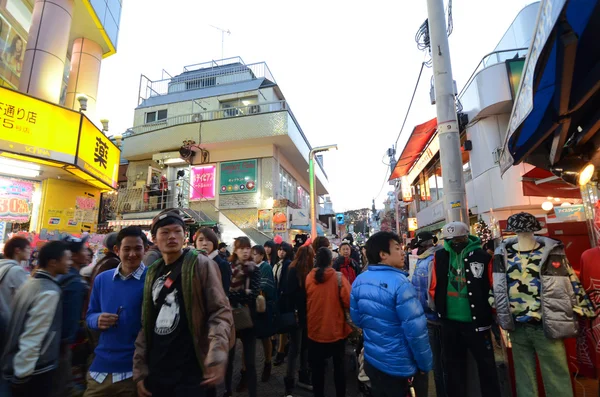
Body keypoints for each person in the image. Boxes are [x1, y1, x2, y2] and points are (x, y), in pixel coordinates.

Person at [133, 208, 233, 397]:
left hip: (191, 372)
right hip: (158, 370)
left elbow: (220, 311)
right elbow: (146, 322)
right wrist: (140, 370)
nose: (172, 236)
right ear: (154, 239)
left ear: (185, 236)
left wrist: (217, 354)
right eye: (165, 232)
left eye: (177, 231)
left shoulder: (201, 264)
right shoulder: (152, 271)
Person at [493, 212, 595, 397]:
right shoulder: (503, 255)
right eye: (520, 231)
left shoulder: (551, 253)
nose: (523, 234)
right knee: (524, 378)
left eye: (526, 230)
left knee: (556, 375)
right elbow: (497, 286)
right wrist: (497, 307)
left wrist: (583, 307)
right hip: (517, 326)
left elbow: (569, 280)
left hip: (547, 323)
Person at [351, 231, 432, 397]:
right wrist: (425, 365)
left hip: (373, 360)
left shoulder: (360, 280)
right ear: (383, 255)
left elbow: (358, 320)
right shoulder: (401, 283)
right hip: (400, 366)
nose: (403, 252)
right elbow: (416, 331)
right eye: (397, 248)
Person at [429, 221, 500, 397]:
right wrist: (438, 309)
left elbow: (492, 286)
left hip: (478, 321)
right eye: (450, 239)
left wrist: (492, 313)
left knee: (486, 366)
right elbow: (434, 285)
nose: (454, 242)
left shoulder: (483, 257)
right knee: (453, 366)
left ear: (467, 236)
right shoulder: (440, 257)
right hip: (448, 321)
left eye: (458, 238)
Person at [1, 241, 72, 397]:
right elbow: (33, 335)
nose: (70, 263)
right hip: (35, 370)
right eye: (67, 259)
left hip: (14, 363)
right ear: (53, 262)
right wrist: (22, 374)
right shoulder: (49, 292)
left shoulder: (30, 283)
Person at [84, 226, 148, 396]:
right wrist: (97, 319)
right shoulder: (102, 279)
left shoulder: (152, 280)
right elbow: (89, 316)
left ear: (146, 250)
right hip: (99, 371)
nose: (132, 254)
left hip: (132, 373)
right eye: (127, 249)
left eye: (138, 248)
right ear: (117, 250)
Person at [305, 247, 351, 397]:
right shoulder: (338, 278)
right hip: (336, 331)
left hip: (314, 331)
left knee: (317, 372)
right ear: (331, 260)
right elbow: (349, 301)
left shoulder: (309, 277)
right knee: (339, 369)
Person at [54, 235, 91, 397]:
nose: (88, 253)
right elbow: (71, 321)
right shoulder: (75, 282)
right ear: (73, 256)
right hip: (68, 347)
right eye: (84, 250)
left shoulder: (60, 277)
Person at [224, 237, 261, 397]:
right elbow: (224, 292)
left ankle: (253, 393)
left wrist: (235, 295)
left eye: (248, 248)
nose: (245, 251)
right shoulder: (228, 268)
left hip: (248, 320)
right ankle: (227, 391)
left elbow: (252, 295)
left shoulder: (255, 269)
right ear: (235, 251)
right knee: (228, 360)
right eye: (242, 248)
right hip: (230, 319)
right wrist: (241, 293)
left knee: (251, 362)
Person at [411, 231, 445, 397]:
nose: (420, 250)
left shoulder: (432, 260)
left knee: (438, 364)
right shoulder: (424, 260)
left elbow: (432, 292)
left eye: (421, 246)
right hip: (427, 317)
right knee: (436, 362)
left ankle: (442, 392)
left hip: (433, 318)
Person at [282, 245, 314, 395]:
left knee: (304, 347)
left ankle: (302, 376)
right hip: (298, 315)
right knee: (296, 348)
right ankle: (290, 380)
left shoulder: (301, 269)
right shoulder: (294, 269)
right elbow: (290, 294)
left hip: (305, 314)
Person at [251, 245, 277, 382]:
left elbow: (267, 286)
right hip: (252, 307)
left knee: (265, 337)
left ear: (261, 255)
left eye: (255, 254)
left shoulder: (265, 267)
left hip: (263, 307)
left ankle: (267, 363)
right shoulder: (250, 267)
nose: (253, 256)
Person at [0, 237, 31, 334]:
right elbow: (26, 299)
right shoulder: (16, 270)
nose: (30, 251)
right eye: (28, 248)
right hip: (8, 323)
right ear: (17, 250)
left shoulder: (2, 266)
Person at [273, 242, 294, 366]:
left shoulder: (287, 264)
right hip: (278, 298)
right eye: (279, 250)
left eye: (284, 250)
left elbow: (285, 283)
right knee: (281, 326)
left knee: (283, 326)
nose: (281, 252)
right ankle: (282, 348)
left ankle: (281, 351)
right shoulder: (277, 263)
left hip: (283, 300)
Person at [195, 228, 232, 293]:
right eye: (200, 240)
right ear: (195, 243)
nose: (204, 243)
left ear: (214, 242)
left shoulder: (222, 264)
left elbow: (224, 292)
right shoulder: (192, 263)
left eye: (208, 240)